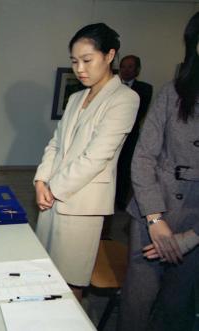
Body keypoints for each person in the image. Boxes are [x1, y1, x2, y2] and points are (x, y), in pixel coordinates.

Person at [33, 23, 139, 301]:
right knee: (43, 270)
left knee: (70, 282)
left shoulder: (125, 99)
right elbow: (55, 143)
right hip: (51, 197)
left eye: (87, 60)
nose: (79, 69)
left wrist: (53, 188)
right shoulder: (76, 97)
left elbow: (96, 157)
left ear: (109, 55)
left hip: (82, 202)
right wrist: (41, 181)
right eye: (74, 61)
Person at [118, 12, 199, 331]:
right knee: (136, 303)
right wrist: (154, 218)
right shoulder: (172, 92)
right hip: (153, 214)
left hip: (195, 226)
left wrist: (192, 238)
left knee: (177, 307)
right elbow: (143, 157)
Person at [116, 55, 153, 209]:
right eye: (123, 66)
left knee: (124, 169)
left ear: (137, 70)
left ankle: (120, 201)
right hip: (109, 134)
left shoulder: (144, 88)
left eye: (130, 66)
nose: (125, 70)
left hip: (130, 136)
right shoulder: (112, 86)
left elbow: (139, 113)